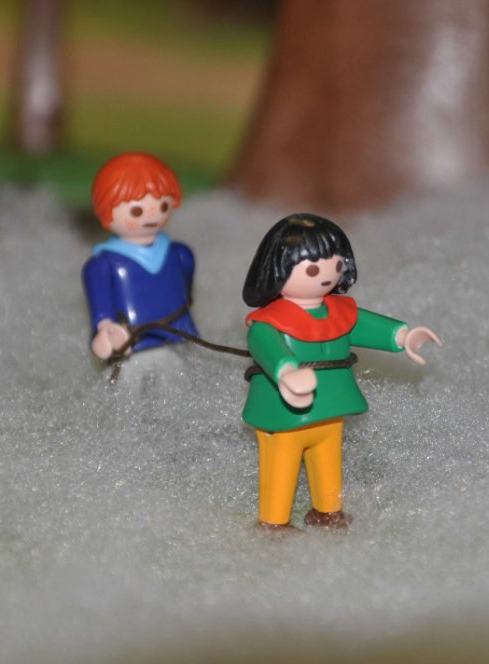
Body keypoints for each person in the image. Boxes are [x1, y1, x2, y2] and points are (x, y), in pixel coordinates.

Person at [242, 213, 442, 530]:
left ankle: (328, 510)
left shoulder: (340, 312)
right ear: (278, 270)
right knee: (282, 464)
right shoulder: (268, 323)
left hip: (331, 408)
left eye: (335, 265)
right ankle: (274, 522)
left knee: (328, 460)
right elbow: (267, 348)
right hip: (284, 415)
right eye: (312, 269)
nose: (326, 276)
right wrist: (287, 372)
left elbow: (367, 326)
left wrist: (403, 336)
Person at [82, 152, 198, 360]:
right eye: (136, 211)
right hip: (133, 346)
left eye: (163, 206)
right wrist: (106, 332)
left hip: (182, 337)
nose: (152, 216)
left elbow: (187, 293)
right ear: (105, 211)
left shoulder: (180, 253)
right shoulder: (102, 265)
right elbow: (102, 312)